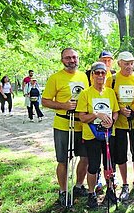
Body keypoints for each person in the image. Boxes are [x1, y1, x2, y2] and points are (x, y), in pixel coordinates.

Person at [42, 48, 89, 207]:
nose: (72, 60)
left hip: (82, 124)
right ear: (62, 60)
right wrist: (63, 105)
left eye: (74, 57)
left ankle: (79, 186)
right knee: (64, 160)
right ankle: (63, 191)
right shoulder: (55, 78)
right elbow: (45, 101)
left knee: (85, 158)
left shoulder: (83, 76)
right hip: (63, 124)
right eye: (68, 58)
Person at [76, 62, 119, 209]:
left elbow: (116, 111)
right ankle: (91, 194)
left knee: (109, 164)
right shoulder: (85, 94)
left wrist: (112, 121)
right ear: (92, 75)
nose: (100, 75)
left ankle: (110, 190)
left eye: (103, 73)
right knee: (93, 165)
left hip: (108, 133)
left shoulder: (110, 92)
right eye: (97, 73)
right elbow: (81, 116)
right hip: (91, 135)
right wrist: (96, 115)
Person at [105, 51, 134, 201]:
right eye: (126, 63)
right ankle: (124, 184)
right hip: (119, 124)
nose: (129, 66)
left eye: (131, 63)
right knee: (121, 155)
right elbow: (108, 97)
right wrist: (119, 109)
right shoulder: (112, 79)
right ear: (119, 63)